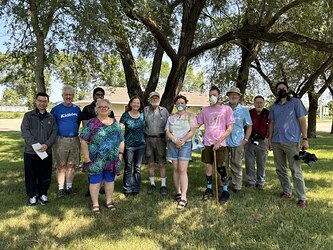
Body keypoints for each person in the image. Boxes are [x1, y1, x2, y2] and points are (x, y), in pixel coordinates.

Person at [268, 82, 309, 208]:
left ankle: (302, 198)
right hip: (276, 141)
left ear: (288, 90)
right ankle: (287, 192)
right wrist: (269, 140)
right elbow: (272, 123)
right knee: (280, 168)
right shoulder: (274, 107)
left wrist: (305, 139)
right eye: (279, 89)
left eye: (283, 88)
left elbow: (302, 120)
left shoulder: (296, 102)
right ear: (276, 91)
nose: (281, 90)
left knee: (295, 170)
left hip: (291, 142)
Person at [80, 99, 124, 213]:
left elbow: (121, 139)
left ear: (110, 110)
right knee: (95, 181)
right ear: (97, 109)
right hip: (95, 159)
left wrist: (120, 154)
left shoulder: (115, 123)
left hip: (112, 159)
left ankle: (109, 201)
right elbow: (84, 140)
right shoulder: (91, 123)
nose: (104, 108)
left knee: (110, 180)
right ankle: (95, 204)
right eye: (101, 107)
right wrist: (86, 158)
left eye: (106, 107)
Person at [197, 86, 234, 203]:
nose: (212, 97)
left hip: (221, 144)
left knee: (221, 167)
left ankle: (225, 190)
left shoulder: (226, 109)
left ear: (219, 96)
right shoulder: (205, 110)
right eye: (210, 95)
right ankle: (209, 189)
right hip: (207, 143)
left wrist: (219, 141)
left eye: (214, 94)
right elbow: (196, 124)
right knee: (208, 165)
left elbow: (229, 128)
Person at [21, 92, 58, 205]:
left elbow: (54, 132)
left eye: (44, 101)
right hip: (31, 152)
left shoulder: (51, 117)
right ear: (36, 101)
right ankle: (32, 196)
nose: (42, 103)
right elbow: (25, 132)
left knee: (45, 174)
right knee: (31, 174)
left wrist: (46, 145)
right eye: (40, 101)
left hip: (46, 151)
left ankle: (42, 194)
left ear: (47, 103)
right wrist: (36, 145)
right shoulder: (28, 116)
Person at [79, 87, 115, 196]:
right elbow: (85, 124)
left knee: (105, 165)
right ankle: (92, 187)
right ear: (93, 95)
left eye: (101, 95)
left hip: (106, 144)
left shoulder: (108, 109)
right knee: (92, 165)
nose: (99, 96)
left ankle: (103, 187)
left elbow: (112, 124)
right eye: (97, 94)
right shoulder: (87, 109)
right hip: (92, 143)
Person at [165, 95, 197, 209]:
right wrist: (175, 140)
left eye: (182, 103)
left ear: (185, 104)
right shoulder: (171, 118)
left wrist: (182, 140)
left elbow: (192, 130)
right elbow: (167, 131)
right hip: (173, 144)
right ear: (175, 104)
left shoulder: (191, 116)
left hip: (185, 145)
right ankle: (178, 192)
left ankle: (184, 197)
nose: (180, 105)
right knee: (176, 169)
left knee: (182, 170)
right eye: (178, 103)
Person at [51, 85, 81, 197]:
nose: (68, 96)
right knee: (60, 165)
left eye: (70, 94)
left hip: (74, 140)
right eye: (66, 94)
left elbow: (77, 123)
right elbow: (52, 125)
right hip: (60, 140)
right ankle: (60, 189)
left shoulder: (77, 109)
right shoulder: (56, 109)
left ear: (73, 96)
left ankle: (69, 187)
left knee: (71, 165)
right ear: (62, 96)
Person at [226, 86, 252, 194]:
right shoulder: (223, 109)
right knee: (223, 165)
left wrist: (246, 139)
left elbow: (249, 125)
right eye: (231, 94)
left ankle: (237, 186)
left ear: (239, 97)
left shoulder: (244, 110)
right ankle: (224, 185)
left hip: (238, 142)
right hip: (224, 141)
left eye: (235, 94)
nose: (233, 96)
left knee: (236, 164)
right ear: (228, 96)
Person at [144, 91, 169, 196]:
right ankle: (152, 184)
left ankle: (163, 185)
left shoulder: (164, 111)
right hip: (148, 139)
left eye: (157, 98)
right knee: (150, 163)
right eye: (153, 98)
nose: (155, 100)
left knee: (162, 164)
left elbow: (169, 125)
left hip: (161, 140)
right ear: (150, 99)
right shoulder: (145, 110)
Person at [120, 95, 146, 196]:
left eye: (138, 103)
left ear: (140, 105)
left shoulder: (143, 115)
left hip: (141, 145)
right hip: (129, 146)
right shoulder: (125, 115)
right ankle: (127, 189)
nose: (136, 104)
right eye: (134, 102)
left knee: (138, 168)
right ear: (130, 103)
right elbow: (120, 129)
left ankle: (136, 188)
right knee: (128, 167)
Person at [245, 95, 270, 190]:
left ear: (264, 103)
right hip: (250, 140)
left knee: (261, 162)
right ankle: (251, 181)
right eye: (257, 102)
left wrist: (269, 140)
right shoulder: (249, 113)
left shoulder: (268, 113)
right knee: (249, 162)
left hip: (263, 141)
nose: (259, 104)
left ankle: (261, 182)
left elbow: (271, 127)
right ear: (254, 103)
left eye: (261, 102)